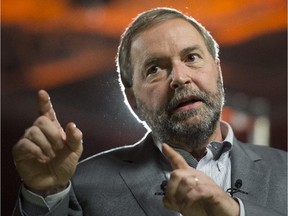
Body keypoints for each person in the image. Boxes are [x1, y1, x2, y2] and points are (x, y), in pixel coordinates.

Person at [12, 7, 286, 216]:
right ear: (132, 101)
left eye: (191, 57)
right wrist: (46, 192)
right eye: (154, 68)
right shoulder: (81, 186)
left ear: (219, 74)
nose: (180, 77)